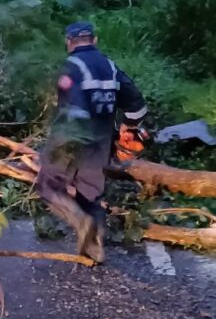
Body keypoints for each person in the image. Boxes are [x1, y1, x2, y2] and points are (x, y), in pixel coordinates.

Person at [36, 21, 148, 263]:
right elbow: (137, 106)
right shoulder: (110, 67)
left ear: (69, 42)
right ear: (94, 40)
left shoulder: (70, 66)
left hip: (70, 137)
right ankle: (95, 248)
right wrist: (128, 129)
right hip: (101, 141)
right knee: (90, 194)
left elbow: (66, 101)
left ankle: (80, 221)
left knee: (48, 185)